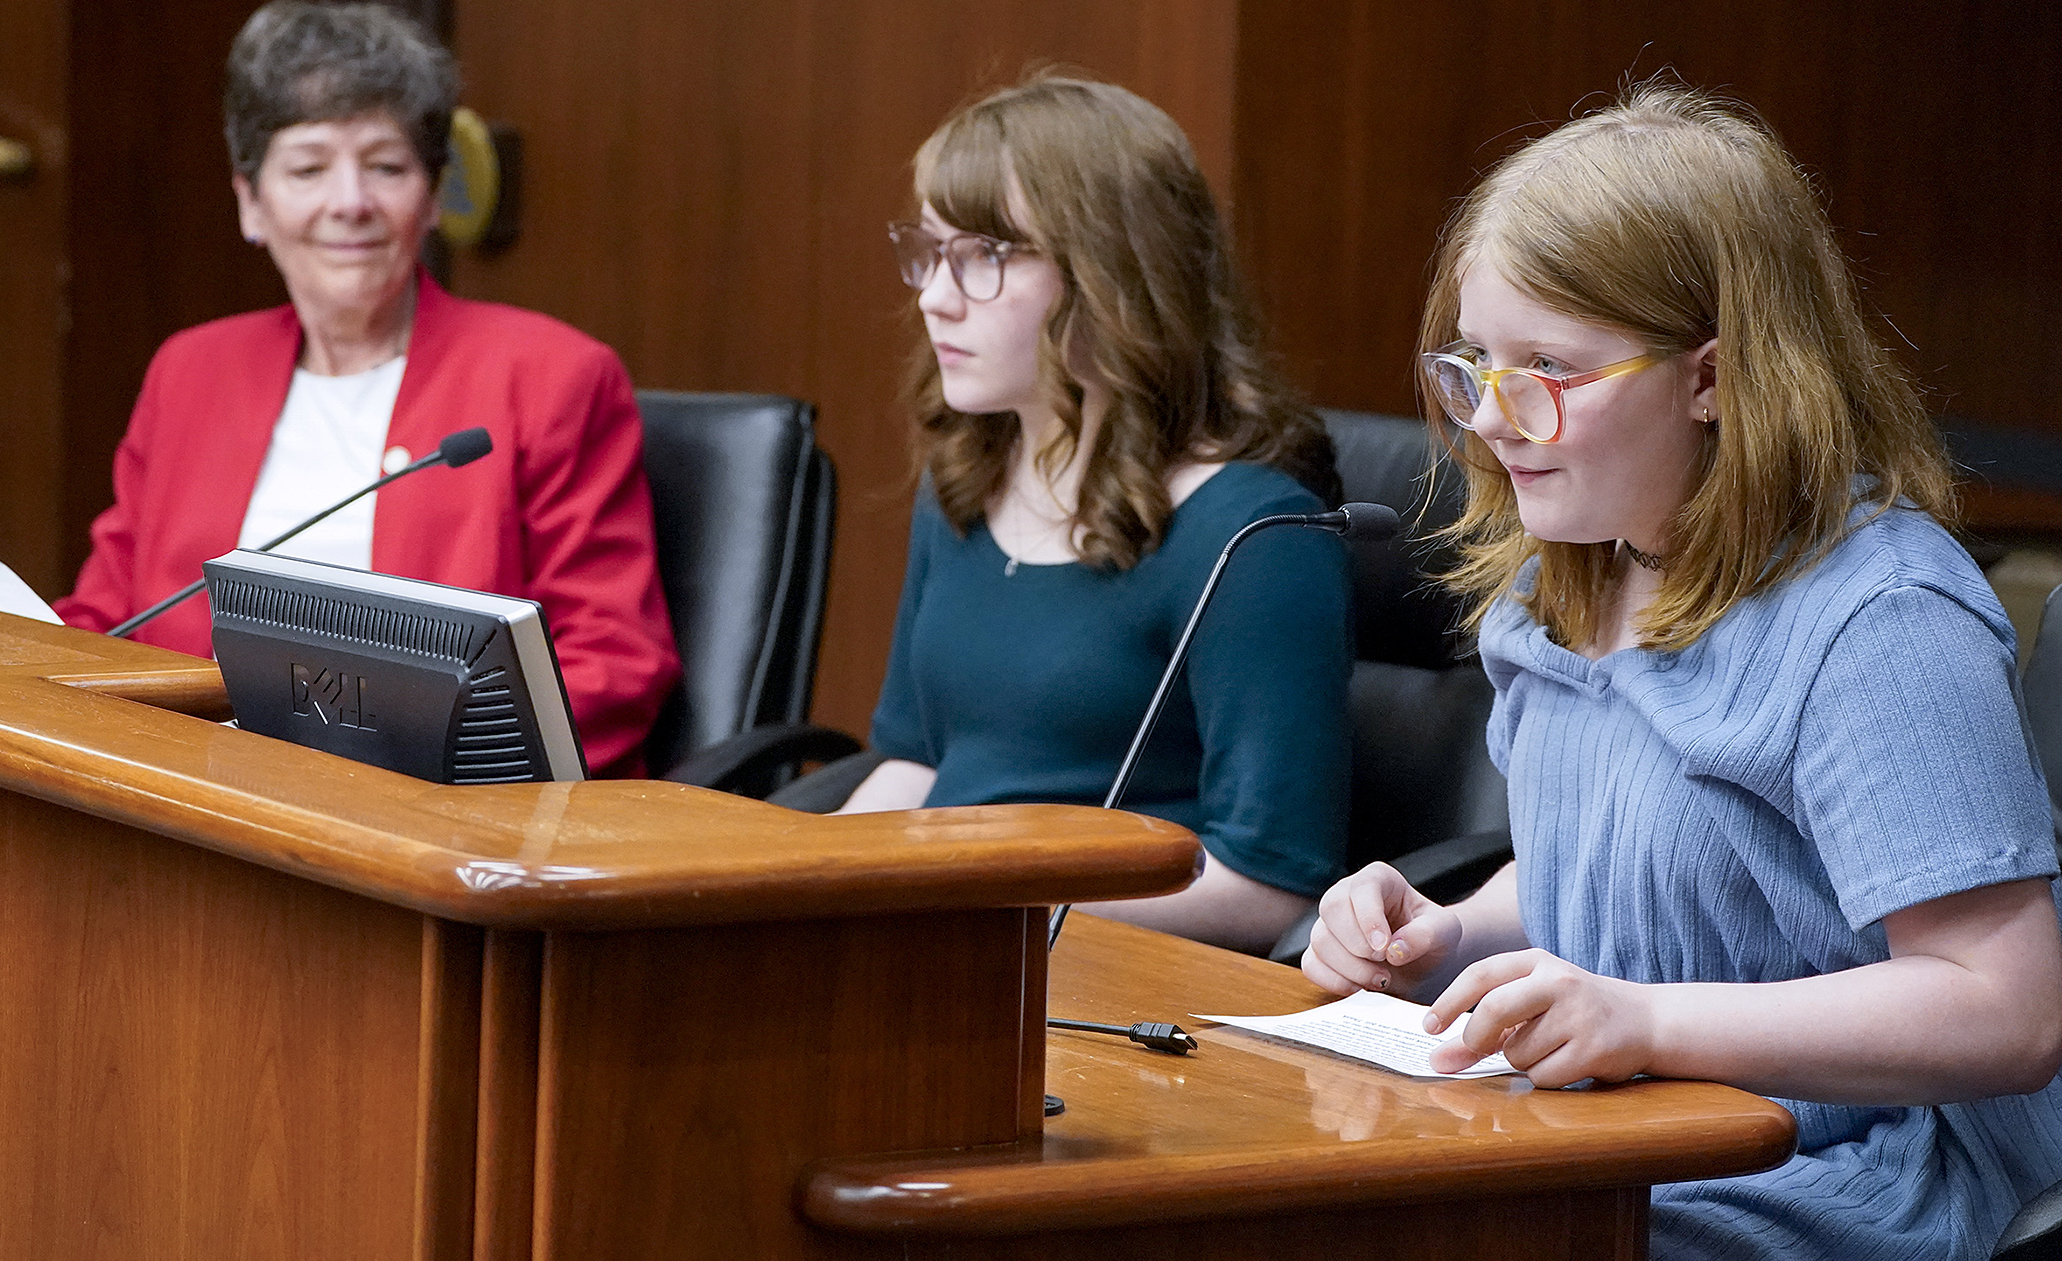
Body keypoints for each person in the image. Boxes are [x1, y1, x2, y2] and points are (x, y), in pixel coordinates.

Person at [1302, 85, 2062, 1258]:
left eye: (1547, 369)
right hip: (1629, 1136)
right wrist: (1443, 935)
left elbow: (2004, 1008)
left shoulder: (1882, 620)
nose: (1496, 423)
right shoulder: (1562, 577)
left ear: (1712, 378)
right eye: (1476, 366)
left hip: (1840, 1171)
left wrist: (1646, 1020)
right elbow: (1612, 871)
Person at [55, 0, 677, 776]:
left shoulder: (552, 376)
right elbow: (103, 623)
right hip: (196, 798)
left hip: (445, 822)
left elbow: (611, 663)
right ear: (252, 201)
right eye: (309, 167)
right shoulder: (190, 372)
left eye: (385, 165)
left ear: (430, 197)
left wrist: (412, 780)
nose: (350, 202)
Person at [837, 74, 1353, 955]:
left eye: (986, 255)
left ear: (1115, 273)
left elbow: (1268, 883)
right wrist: (787, 878)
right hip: (941, 944)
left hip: (1105, 989)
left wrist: (972, 901)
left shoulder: (1257, 535)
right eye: (929, 251)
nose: (935, 294)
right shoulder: (965, 479)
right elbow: (917, 764)